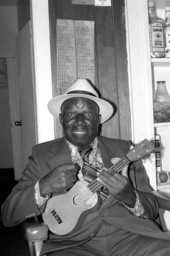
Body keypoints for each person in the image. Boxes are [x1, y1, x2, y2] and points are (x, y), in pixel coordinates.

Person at [1, 78, 170, 256]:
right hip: (73, 246)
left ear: (98, 120)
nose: (80, 121)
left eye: (88, 115)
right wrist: (43, 186)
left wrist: (130, 197)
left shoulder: (123, 150)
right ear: (61, 119)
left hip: (131, 238)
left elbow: (151, 208)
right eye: (71, 114)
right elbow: (8, 215)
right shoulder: (42, 156)